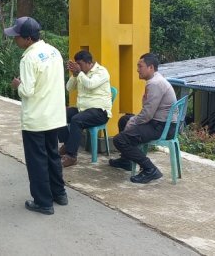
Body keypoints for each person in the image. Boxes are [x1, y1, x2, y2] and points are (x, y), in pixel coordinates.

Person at [5, 16, 68, 215]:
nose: (15, 40)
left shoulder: (29, 57)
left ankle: (43, 201)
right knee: (52, 156)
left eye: (17, 37)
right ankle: (59, 193)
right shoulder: (54, 51)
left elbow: (28, 91)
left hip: (36, 118)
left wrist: (18, 85)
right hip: (54, 115)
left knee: (37, 161)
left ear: (28, 38)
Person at [108, 53, 177, 184]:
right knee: (124, 119)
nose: (137, 69)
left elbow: (147, 114)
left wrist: (132, 122)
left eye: (140, 66)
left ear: (151, 67)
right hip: (160, 123)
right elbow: (148, 110)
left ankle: (150, 169)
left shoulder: (155, 83)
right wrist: (131, 120)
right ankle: (126, 160)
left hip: (162, 127)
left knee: (119, 140)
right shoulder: (155, 80)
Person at [58, 50, 112, 168]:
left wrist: (79, 73)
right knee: (58, 114)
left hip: (99, 112)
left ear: (89, 63)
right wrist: (74, 74)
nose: (78, 67)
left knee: (76, 120)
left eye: (80, 64)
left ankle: (71, 156)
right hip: (83, 110)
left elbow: (90, 84)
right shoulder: (80, 73)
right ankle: (68, 145)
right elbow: (68, 88)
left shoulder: (101, 72)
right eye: (76, 64)